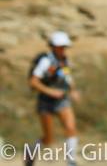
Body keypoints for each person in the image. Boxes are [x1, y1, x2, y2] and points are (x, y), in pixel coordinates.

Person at [25, 31, 79, 166]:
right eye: (61, 47)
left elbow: (67, 78)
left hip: (62, 100)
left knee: (71, 128)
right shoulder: (45, 61)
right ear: (53, 47)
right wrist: (50, 91)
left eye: (64, 47)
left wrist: (73, 91)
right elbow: (33, 82)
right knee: (48, 140)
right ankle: (31, 152)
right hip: (46, 102)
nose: (63, 50)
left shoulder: (64, 61)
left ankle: (71, 161)